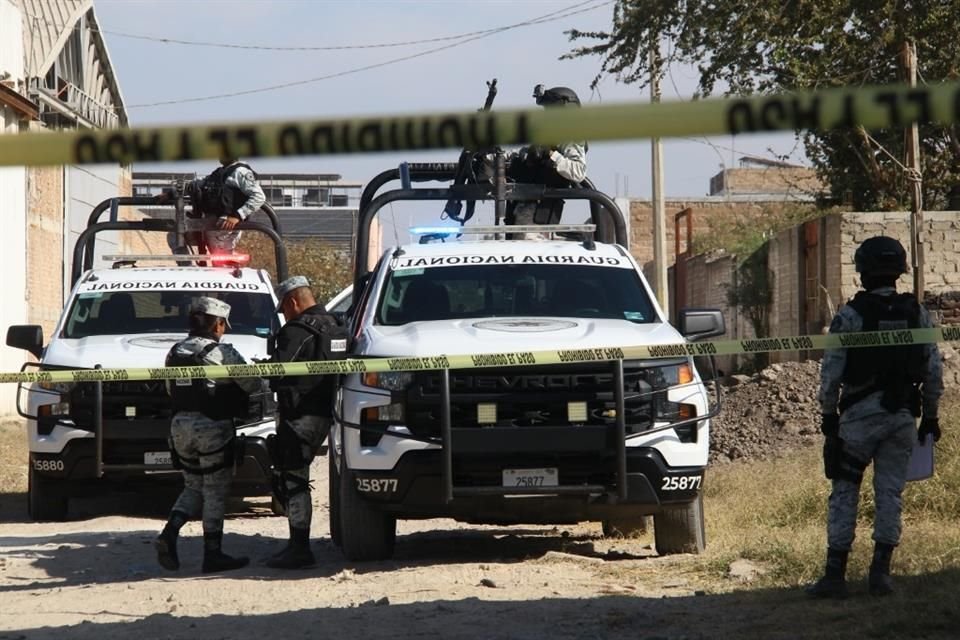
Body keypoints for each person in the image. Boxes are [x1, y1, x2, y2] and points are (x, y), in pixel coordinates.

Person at [808, 236, 943, 599]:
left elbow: (831, 372)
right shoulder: (917, 313)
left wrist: (827, 415)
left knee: (845, 491)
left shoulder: (850, 316)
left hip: (858, 420)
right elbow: (932, 369)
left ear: (864, 271)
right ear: (898, 271)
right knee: (890, 494)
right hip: (901, 417)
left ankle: (835, 575)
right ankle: (880, 575)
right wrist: (930, 416)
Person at [154, 296, 265, 574]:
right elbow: (251, 384)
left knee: (193, 486)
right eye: (222, 324)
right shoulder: (222, 353)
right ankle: (212, 554)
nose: (223, 329)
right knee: (215, 490)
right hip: (212, 428)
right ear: (216, 324)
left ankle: (170, 532)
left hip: (180, 428)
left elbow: (170, 390)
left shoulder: (174, 352)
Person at [266, 276, 347, 569]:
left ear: (293, 302)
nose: (284, 315)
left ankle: (299, 547)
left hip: (299, 415)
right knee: (297, 477)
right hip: (329, 414)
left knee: (294, 480)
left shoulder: (297, 330)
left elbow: (278, 371)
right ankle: (298, 545)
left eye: (284, 309)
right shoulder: (339, 326)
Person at [504, 85, 587, 234]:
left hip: (539, 220)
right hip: (521, 211)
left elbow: (579, 171)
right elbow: (521, 155)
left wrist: (551, 155)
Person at [197, 155, 266, 254]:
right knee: (177, 236)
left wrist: (237, 216)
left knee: (221, 262)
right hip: (210, 222)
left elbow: (259, 197)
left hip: (225, 225)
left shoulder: (240, 171)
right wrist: (169, 194)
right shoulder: (219, 172)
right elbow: (199, 185)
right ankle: (188, 265)